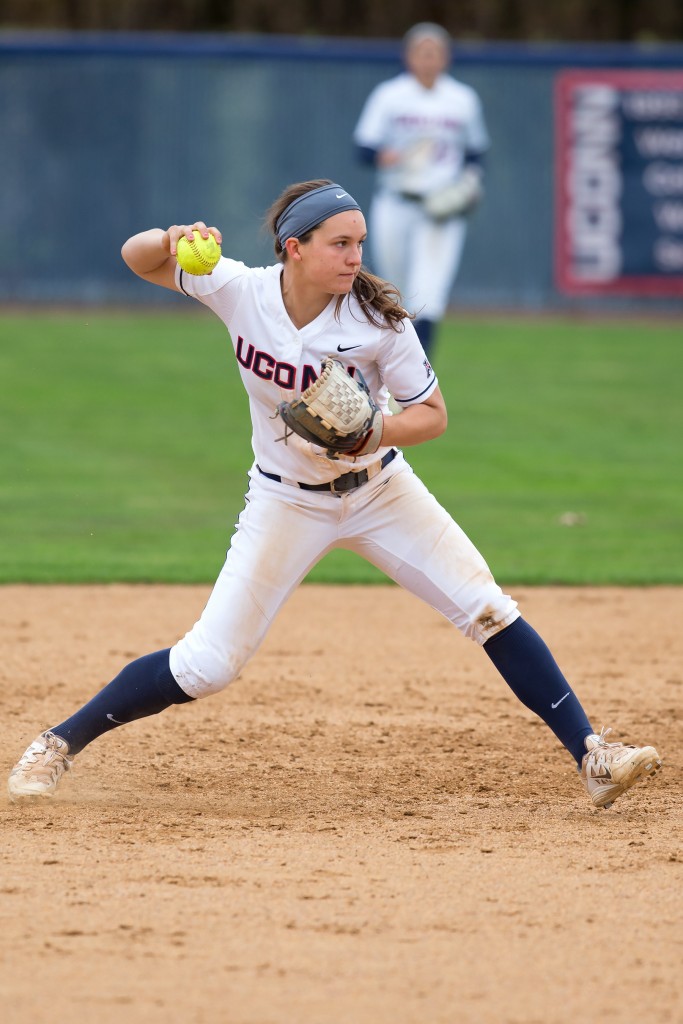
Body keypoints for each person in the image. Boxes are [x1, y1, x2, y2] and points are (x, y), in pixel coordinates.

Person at [8, 179, 662, 812]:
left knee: (487, 608)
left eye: (359, 243)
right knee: (207, 666)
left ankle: (592, 757)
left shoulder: (379, 321)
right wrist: (173, 237)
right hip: (285, 502)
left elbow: (430, 414)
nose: (355, 258)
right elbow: (137, 258)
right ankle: (58, 742)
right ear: (294, 247)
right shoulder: (239, 290)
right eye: (339, 244)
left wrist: (374, 430)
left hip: (381, 492)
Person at [353, 22, 489, 363]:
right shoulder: (390, 95)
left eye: (435, 53)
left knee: (429, 290)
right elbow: (364, 148)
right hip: (396, 201)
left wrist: (470, 183)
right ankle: (390, 368)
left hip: (440, 207)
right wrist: (386, 156)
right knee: (394, 288)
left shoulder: (462, 99)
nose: (428, 60)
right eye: (422, 52)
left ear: (445, 58)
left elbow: (476, 152)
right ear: (409, 57)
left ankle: (419, 374)